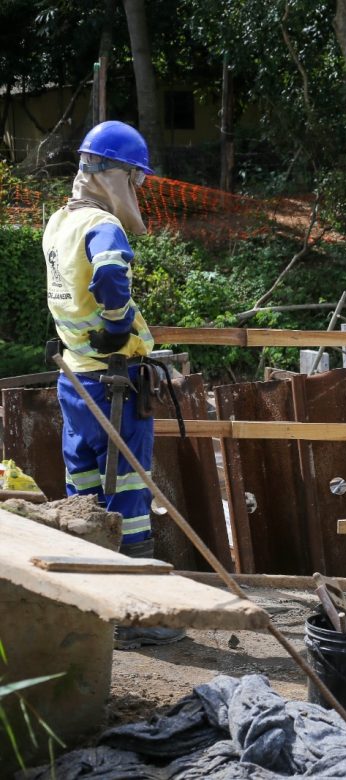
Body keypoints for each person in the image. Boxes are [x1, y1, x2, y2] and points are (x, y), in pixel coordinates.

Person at [43, 120, 182, 647]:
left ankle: (91, 609)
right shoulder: (102, 225)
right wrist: (119, 325)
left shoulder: (59, 221)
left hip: (76, 378)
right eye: (136, 178)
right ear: (114, 174)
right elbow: (108, 275)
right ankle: (136, 617)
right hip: (114, 383)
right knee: (126, 490)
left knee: (82, 493)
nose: (138, 188)